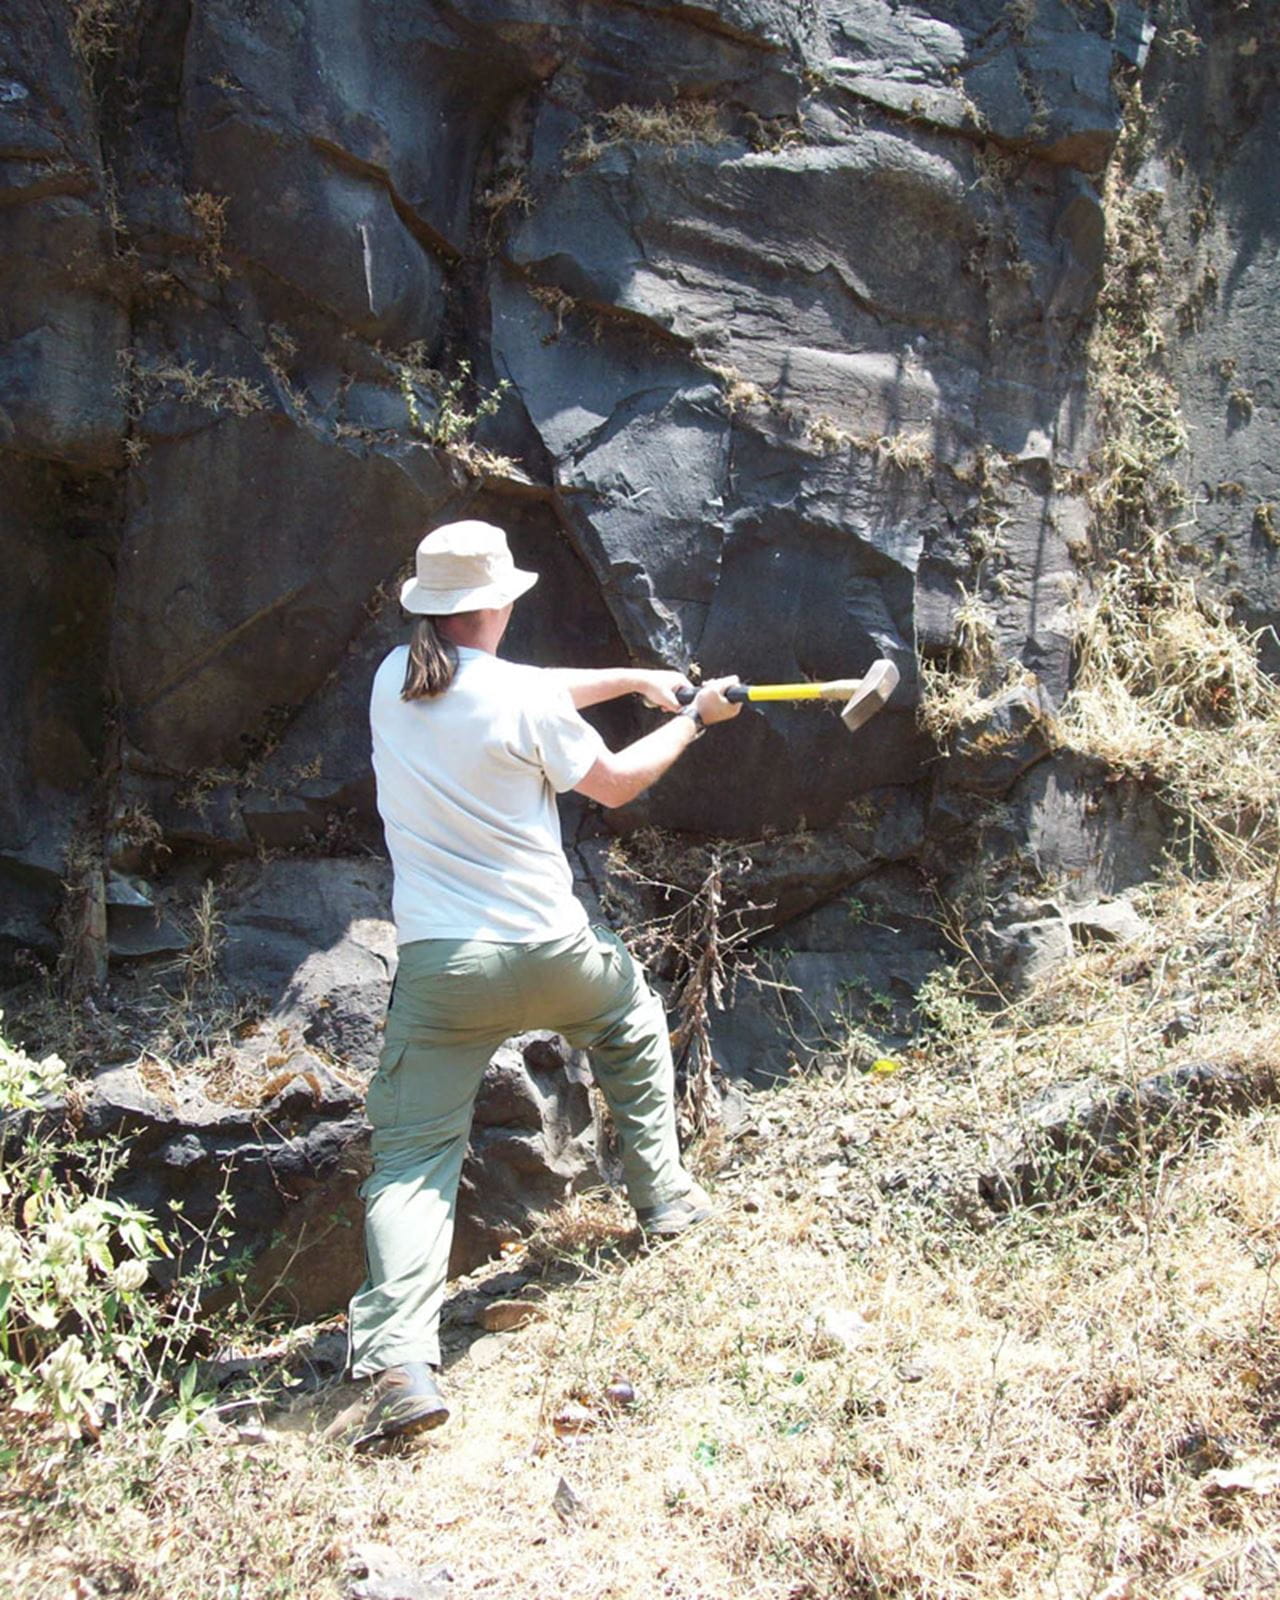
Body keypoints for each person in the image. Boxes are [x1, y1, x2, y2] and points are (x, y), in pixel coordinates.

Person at [348, 519, 742, 1448]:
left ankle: (400, 1362)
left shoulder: (390, 681)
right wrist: (691, 718)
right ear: (497, 604)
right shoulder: (522, 704)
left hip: (445, 972)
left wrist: (637, 679)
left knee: (410, 1159)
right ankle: (666, 1204)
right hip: (556, 952)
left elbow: (517, 688)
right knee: (633, 1024)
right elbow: (611, 784)